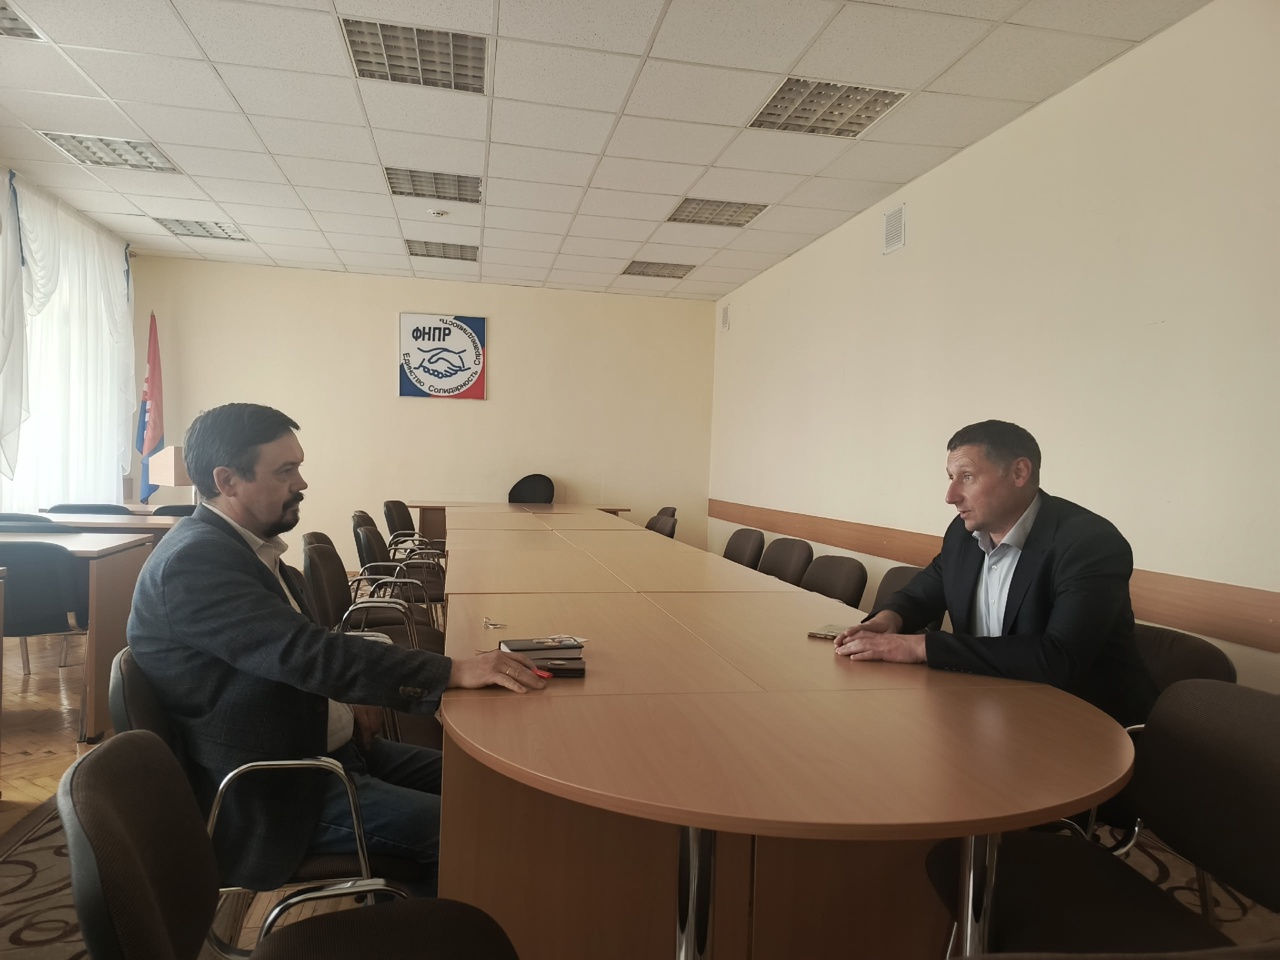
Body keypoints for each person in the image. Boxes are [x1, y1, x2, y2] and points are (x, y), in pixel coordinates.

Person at [127, 403, 546, 895]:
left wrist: (343, 695)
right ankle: (423, 927)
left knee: (497, 783)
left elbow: (293, 648)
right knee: (467, 827)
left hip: (326, 750)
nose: (301, 482)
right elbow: (306, 653)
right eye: (285, 471)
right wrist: (451, 671)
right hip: (280, 788)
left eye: (298, 467)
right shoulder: (195, 562)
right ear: (228, 481)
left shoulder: (245, 548)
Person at [834, 420, 1156, 725]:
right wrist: (888, 619)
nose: (950, 496)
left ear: (1019, 472)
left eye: (967, 477)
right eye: (950, 477)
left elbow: (1058, 658)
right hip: (988, 708)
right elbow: (922, 593)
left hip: (1082, 724)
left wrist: (920, 647)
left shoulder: (1089, 543)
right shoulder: (963, 533)